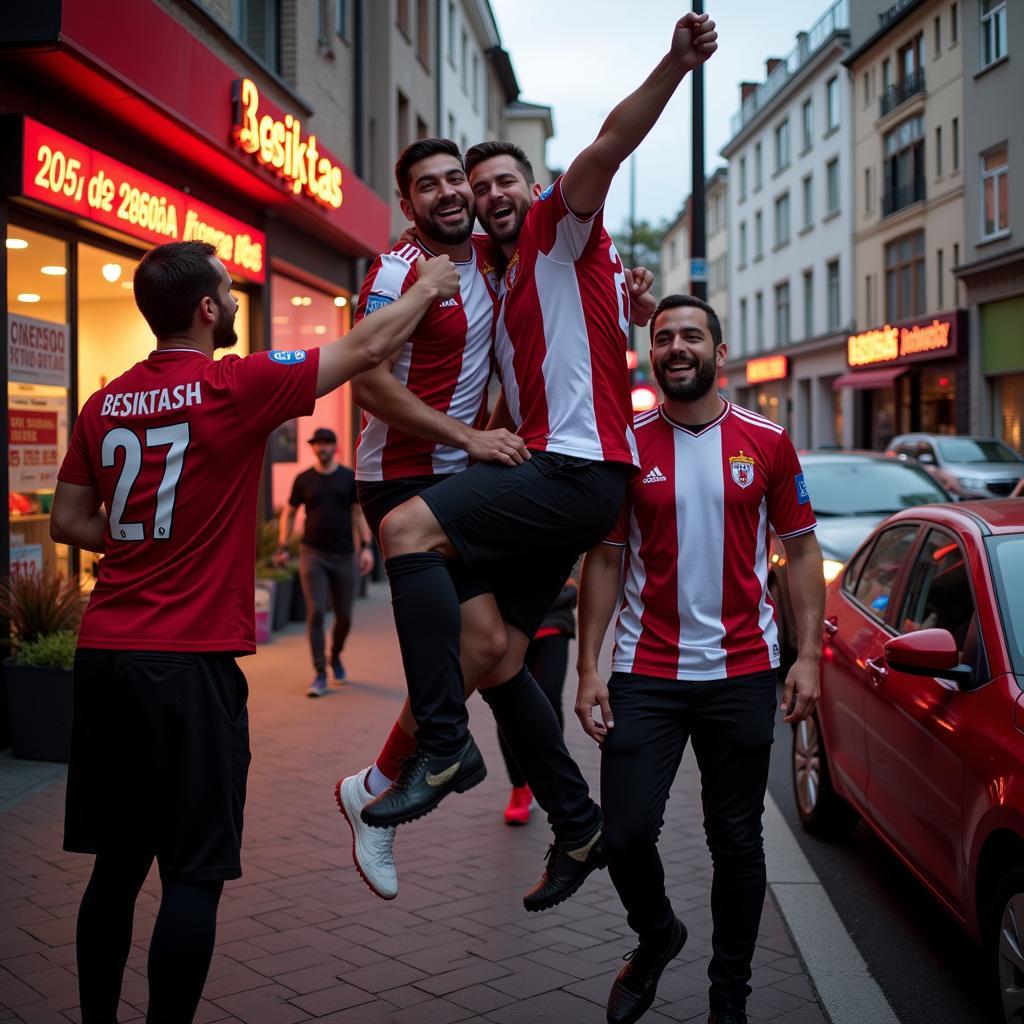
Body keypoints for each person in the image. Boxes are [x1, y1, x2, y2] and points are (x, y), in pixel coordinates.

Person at [49, 239, 458, 1024]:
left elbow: (69, 519)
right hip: (187, 664)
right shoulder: (233, 384)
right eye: (230, 294)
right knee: (193, 874)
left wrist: (143, 541)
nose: (237, 303)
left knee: (116, 867)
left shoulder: (103, 403)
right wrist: (431, 283)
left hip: (106, 656)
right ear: (206, 309)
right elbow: (368, 345)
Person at [359, 15, 718, 852]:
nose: (484, 196)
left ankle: (436, 752)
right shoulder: (496, 270)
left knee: (407, 529)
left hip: (574, 468)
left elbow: (606, 147)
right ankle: (579, 826)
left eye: (496, 182)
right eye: (471, 188)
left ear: (533, 185)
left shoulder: (558, 227)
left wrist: (671, 63)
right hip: (563, 476)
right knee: (500, 653)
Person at [335, 137, 653, 908]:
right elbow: (364, 382)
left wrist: (626, 297)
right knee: (483, 645)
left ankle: (567, 822)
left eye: (461, 182)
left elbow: (552, 308)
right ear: (407, 204)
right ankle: (410, 769)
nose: (452, 193)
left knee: (498, 653)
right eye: (431, 186)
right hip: (403, 481)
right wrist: (469, 437)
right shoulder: (395, 269)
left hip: (462, 480)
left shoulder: (493, 252)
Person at [575, 294, 825, 1024]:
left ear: (720, 354)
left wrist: (806, 655)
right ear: (652, 356)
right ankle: (657, 938)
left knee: (737, 841)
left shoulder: (767, 440)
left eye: (691, 336)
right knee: (622, 835)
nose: (676, 347)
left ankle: (729, 998)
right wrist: (588, 667)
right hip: (645, 672)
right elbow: (605, 557)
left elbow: (802, 551)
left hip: (744, 671)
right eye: (663, 338)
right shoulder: (626, 444)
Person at [277, 426, 374, 696]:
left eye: (326, 443)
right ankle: (319, 673)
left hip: (344, 555)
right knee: (316, 613)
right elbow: (290, 512)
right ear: (312, 447)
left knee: (344, 616)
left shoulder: (348, 478)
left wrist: (366, 548)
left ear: (335, 446)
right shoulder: (303, 479)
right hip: (313, 554)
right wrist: (284, 545)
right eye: (317, 443)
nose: (321, 448)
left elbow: (358, 514)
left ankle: (336, 656)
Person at [499, 573, 578, 825]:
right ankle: (520, 787)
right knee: (507, 703)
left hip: (553, 615)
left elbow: (584, 563)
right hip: (509, 618)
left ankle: (553, 777)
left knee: (550, 695)